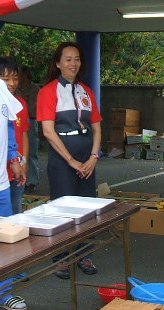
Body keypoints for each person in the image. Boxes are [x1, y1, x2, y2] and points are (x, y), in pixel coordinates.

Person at [37, 41, 102, 279]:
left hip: (87, 152)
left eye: (77, 59)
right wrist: (72, 161)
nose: (73, 63)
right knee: (62, 208)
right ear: (58, 63)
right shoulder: (48, 91)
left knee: (86, 206)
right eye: (68, 59)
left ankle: (84, 253)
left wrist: (94, 156)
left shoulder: (86, 91)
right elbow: (48, 132)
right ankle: (62, 257)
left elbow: (97, 128)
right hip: (63, 153)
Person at [0, 78, 28, 310]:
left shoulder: (2, 90)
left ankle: (4, 293)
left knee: (5, 240)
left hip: (1, 183)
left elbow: (10, 127)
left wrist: (14, 159)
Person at [0, 57, 29, 215]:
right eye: (5, 79)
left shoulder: (17, 104)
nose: (11, 83)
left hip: (7, 177)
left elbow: (17, 136)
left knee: (12, 222)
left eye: (15, 78)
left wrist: (18, 161)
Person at [17, 65, 40, 193]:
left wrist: (23, 103)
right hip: (17, 121)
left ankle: (33, 181)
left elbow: (33, 110)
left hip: (31, 121)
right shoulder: (16, 89)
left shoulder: (34, 89)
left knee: (31, 152)